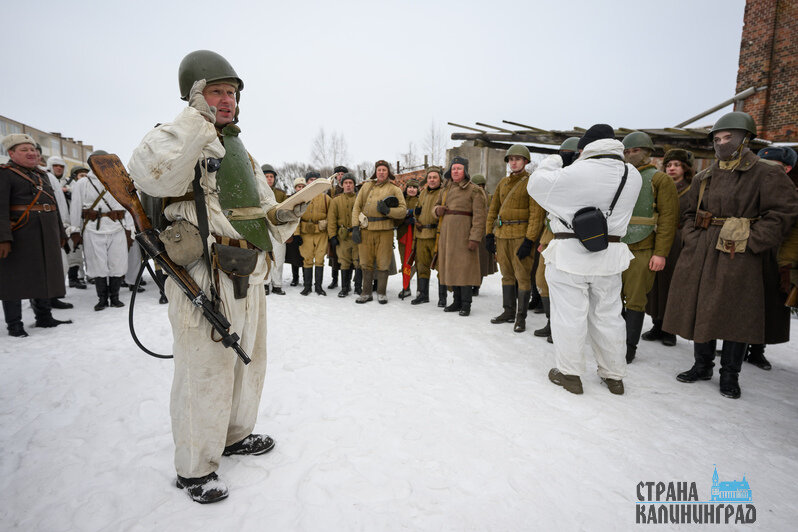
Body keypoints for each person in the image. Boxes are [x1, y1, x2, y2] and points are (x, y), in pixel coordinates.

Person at [128, 50, 304, 503]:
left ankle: (235, 435)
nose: (227, 100)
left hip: (249, 269)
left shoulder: (239, 147)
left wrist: (285, 214)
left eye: (232, 93)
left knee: (248, 363)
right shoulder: (172, 137)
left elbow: (262, 209)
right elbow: (153, 175)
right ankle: (194, 467)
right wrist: (196, 121)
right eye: (216, 92)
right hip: (204, 275)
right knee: (204, 372)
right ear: (193, 94)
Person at [663, 112, 798, 399]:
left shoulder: (767, 172)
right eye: (717, 139)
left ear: (745, 139)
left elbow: (783, 213)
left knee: (735, 313)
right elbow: (688, 213)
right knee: (701, 307)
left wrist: (753, 240)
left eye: (728, 138)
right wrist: (692, 237)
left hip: (740, 252)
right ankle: (702, 366)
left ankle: (730, 374)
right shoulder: (704, 176)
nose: (722, 144)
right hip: (702, 250)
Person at [528, 124, 642, 395]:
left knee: (570, 316)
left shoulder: (575, 171)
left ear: (584, 148)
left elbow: (535, 185)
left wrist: (558, 159)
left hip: (570, 254)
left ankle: (570, 374)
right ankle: (614, 376)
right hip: (610, 256)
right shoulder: (633, 174)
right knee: (609, 316)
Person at [1, 134, 72, 337]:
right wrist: (3, 238)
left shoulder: (42, 175)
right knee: (13, 280)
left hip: (46, 233)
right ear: (11, 153)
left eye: (32, 149)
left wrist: (60, 232)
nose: (31, 153)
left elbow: (54, 206)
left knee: (44, 274)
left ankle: (44, 317)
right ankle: (14, 324)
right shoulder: (5, 174)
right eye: (24, 150)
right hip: (19, 234)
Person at [619, 132, 679, 363]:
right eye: (627, 151)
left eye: (635, 151)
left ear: (647, 152)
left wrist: (660, 253)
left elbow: (668, 219)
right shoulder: (620, 177)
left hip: (643, 249)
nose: (631, 155)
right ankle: (613, 341)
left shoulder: (660, 180)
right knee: (612, 298)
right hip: (617, 247)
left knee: (635, 300)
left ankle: (629, 347)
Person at [742, 146, 798, 370]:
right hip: (749, 248)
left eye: (774, 167)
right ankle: (735, 343)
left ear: (787, 168)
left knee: (769, 303)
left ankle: (757, 349)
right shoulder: (750, 189)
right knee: (742, 300)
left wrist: (788, 263)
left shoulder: (792, 193)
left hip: (776, 255)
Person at [486, 144, 546, 332]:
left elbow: (536, 214)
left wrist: (529, 240)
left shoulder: (532, 182)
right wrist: (488, 233)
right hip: (502, 235)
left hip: (521, 235)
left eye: (518, 159)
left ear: (526, 161)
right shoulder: (503, 183)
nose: (514, 162)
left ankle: (521, 317)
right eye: (511, 159)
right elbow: (493, 210)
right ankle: (508, 311)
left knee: (523, 276)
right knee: (506, 275)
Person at [70, 150, 135, 311]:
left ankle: (115, 297)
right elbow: (76, 207)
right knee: (97, 265)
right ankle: (102, 298)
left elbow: (127, 206)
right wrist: (75, 230)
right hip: (93, 228)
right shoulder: (82, 183)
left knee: (118, 263)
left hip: (117, 227)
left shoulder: (118, 181)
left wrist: (129, 229)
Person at [641, 148, 694, 346]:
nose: (672, 169)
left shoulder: (691, 189)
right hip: (659, 238)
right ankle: (657, 324)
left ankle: (670, 329)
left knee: (673, 285)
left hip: (679, 242)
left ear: (685, 168)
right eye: (669, 165)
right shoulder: (660, 186)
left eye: (677, 165)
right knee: (656, 285)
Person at [534, 137, 580, 343]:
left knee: (566, 286)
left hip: (572, 237)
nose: (565, 157)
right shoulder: (554, 178)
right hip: (550, 235)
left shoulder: (581, 177)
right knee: (542, 280)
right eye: (562, 153)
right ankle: (551, 322)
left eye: (569, 154)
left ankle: (563, 328)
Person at [434, 157, 487, 316]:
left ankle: (466, 304)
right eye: (454, 168)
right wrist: (437, 210)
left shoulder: (474, 190)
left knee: (465, 269)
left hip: (465, 235)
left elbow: (479, 217)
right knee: (452, 268)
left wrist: (475, 238)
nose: (455, 171)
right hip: (447, 235)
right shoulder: (445, 189)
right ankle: (456, 301)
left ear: (465, 171)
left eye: (459, 168)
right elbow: (434, 207)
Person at [352, 160, 406, 304]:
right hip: (366, 229)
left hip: (385, 230)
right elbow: (356, 207)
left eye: (384, 170)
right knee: (365, 262)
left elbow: (402, 211)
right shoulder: (366, 187)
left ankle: (381, 292)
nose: (381, 172)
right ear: (375, 172)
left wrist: (388, 211)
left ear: (388, 172)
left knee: (383, 262)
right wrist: (355, 227)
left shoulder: (394, 189)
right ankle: (366, 293)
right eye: (379, 170)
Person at [411, 166, 444, 305]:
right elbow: (417, 213)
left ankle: (443, 298)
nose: (431, 180)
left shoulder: (444, 192)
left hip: (436, 235)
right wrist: (416, 214)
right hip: (421, 235)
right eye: (429, 177)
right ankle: (422, 294)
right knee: (421, 266)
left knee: (440, 267)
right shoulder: (423, 193)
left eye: (434, 177)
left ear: (440, 179)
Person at [295, 170, 330, 296]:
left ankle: (319, 287)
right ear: (307, 182)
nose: (313, 181)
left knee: (320, 259)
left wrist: (331, 235)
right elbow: (296, 217)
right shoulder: (301, 198)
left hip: (321, 233)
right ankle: (307, 286)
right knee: (307, 259)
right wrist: (297, 234)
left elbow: (331, 218)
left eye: (316, 179)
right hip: (306, 233)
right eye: (311, 179)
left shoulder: (326, 199)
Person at [327, 172, 359, 297]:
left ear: (354, 185)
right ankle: (345, 288)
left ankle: (357, 287)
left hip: (357, 236)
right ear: (341, 185)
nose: (348, 185)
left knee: (358, 261)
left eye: (350, 183)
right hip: (342, 237)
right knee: (344, 261)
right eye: (346, 183)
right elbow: (331, 220)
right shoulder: (336, 201)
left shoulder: (359, 199)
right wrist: (332, 236)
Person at [470, 174, 497, 296]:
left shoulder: (490, 198)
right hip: (472, 232)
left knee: (481, 262)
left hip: (485, 234)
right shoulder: (470, 196)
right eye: (477, 185)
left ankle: (476, 286)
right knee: (470, 261)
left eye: (481, 185)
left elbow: (494, 215)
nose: (480, 188)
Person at [262, 164, 287, 295]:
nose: (269, 179)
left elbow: (287, 211)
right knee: (265, 257)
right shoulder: (257, 192)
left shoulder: (281, 194)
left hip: (278, 230)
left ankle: (277, 284)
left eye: (271, 176)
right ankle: (265, 283)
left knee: (278, 257)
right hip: (264, 229)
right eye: (266, 176)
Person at [396, 178, 420, 299]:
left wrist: (414, 215)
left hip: (418, 236)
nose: (412, 189)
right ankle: (406, 287)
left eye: (414, 188)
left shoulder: (421, 200)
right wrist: (403, 219)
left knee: (419, 262)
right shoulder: (402, 201)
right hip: (403, 235)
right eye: (410, 187)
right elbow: (395, 217)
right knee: (404, 262)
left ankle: (421, 290)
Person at [285, 177, 306, 288]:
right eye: (299, 186)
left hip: (305, 232)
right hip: (293, 232)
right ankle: (295, 277)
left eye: (303, 187)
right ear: (295, 188)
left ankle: (305, 277)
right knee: (294, 256)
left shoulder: (307, 199)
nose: (301, 188)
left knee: (303, 256)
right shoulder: (290, 199)